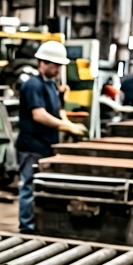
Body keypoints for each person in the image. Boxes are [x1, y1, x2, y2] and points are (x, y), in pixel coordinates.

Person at [16, 40, 86, 233]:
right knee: (30, 187)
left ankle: (39, 224)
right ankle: (27, 228)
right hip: (32, 146)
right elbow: (39, 115)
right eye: (55, 65)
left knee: (43, 188)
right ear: (42, 62)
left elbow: (57, 110)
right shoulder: (33, 85)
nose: (58, 69)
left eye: (60, 66)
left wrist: (67, 122)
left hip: (47, 145)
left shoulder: (51, 85)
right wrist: (65, 126)